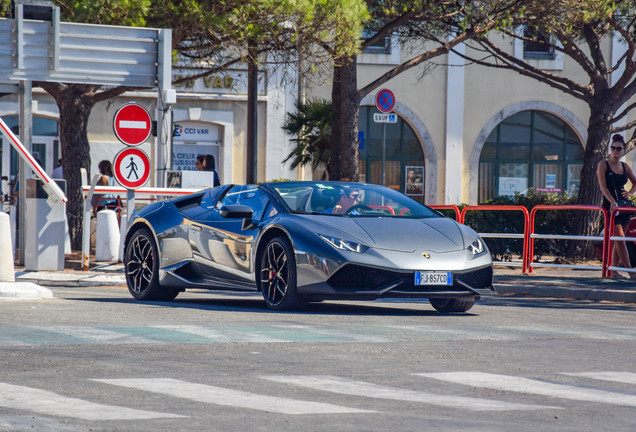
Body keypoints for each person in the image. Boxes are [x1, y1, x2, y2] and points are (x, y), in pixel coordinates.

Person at [596, 134, 636, 278]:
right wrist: (612, 201)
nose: (615, 151)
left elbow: (635, 182)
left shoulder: (625, 166)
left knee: (620, 239)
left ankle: (612, 271)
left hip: (624, 207)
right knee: (619, 238)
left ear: (623, 151)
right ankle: (631, 271)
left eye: (618, 149)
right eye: (613, 148)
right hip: (611, 206)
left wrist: (630, 193)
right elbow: (602, 186)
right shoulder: (603, 165)